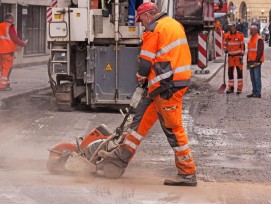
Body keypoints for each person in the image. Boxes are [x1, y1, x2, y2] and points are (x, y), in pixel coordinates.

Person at [98, 2, 197, 186]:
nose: (141, 24)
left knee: (173, 129)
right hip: (164, 84)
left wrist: (141, 77)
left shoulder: (154, 29)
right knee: (139, 122)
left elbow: (145, 63)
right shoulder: (174, 24)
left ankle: (188, 173)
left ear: (148, 15)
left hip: (167, 86)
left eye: (141, 20)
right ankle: (119, 159)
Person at [0, 13, 27, 91]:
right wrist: (23, 43)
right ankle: (2, 86)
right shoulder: (10, 27)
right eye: (12, 19)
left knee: (2, 68)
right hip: (8, 51)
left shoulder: (0, 25)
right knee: (6, 68)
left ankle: (6, 83)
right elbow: (14, 38)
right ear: (10, 19)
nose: (13, 20)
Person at [223, 22, 245, 94]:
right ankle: (231, 88)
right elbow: (224, 44)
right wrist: (225, 49)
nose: (230, 27)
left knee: (239, 73)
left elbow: (243, 45)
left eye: (231, 26)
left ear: (235, 27)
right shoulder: (226, 35)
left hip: (238, 57)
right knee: (230, 73)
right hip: (230, 57)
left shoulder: (240, 35)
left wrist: (242, 55)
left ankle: (239, 89)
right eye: (229, 26)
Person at [247, 25, 264, 98]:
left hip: (256, 61)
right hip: (251, 61)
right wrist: (247, 62)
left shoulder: (259, 39)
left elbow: (260, 51)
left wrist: (257, 61)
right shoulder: (251, 39)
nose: (250, 31)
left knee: (257, 77)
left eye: (252, 30)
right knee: (253, 78)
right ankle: (254, 92)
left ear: (256, 31)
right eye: (250, 30)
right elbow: (249, 51)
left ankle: (258, 93)